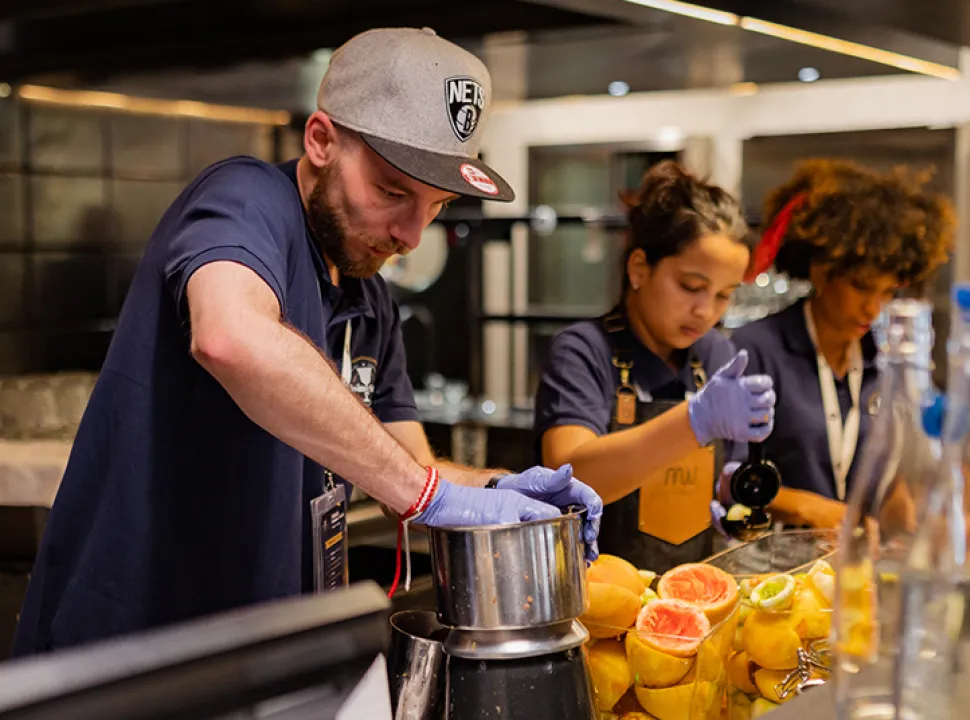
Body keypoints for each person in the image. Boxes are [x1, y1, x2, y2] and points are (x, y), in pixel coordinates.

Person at [12, 27, 602, 658]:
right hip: (132, 649)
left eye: (436, 205)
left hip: (260, 650)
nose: (410, 235)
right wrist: (430, 495)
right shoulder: (244, 199)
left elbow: (409, 471)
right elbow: (231, 337)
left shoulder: (369, 299)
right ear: (321, 140)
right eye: (392, 192)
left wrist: (498, 492)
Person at [534, 161, 775, 573]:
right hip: (596, 596)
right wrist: (695, 421)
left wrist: (733, 491)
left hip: (695, 587)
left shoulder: (716, 354)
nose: (705, 311)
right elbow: (568, 481)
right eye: (692, 287)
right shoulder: (583, 351)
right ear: (639, 268)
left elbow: (719, 481)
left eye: (723, 295)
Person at [730, 159, 955, 529]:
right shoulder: (756, 350)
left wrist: (921, 516)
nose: (873, 306)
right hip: (771, 570)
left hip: (856, 564)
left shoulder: (885, 360)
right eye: (862, 287)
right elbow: (726, 477)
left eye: (887, 292)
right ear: (821, 270)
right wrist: (811, 509)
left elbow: (893, 476)